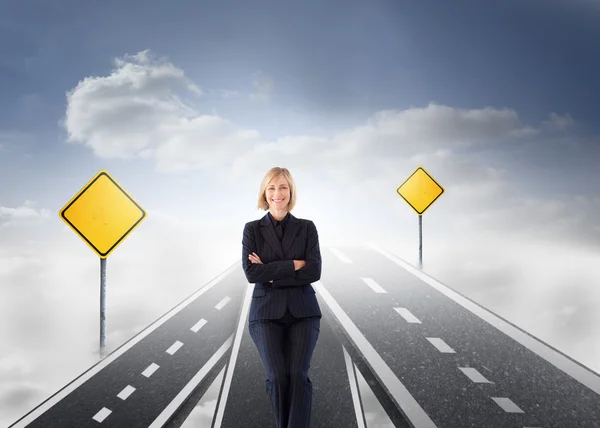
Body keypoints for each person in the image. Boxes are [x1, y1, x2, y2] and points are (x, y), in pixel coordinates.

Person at [241, 166, 322, 428]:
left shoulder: (307, 228)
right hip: (266, 313)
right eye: (272, 187)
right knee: (277, 377)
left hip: (303, 312)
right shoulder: (252, 229)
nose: (278, 193)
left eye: (283, 187)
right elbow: (253, 273)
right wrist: (293, 265)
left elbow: (314, 270)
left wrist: (272, 271)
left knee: (298, 375)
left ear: (291, 191)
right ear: (265, 192)